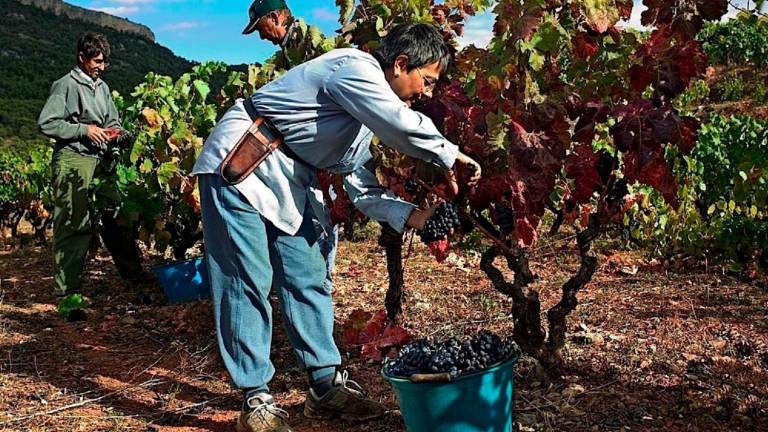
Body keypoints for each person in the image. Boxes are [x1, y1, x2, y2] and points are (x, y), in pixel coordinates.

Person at [192, 23, 482, 432]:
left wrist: (415, 217)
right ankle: (255, 398)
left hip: (292, 180)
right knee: (246, 280)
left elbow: (364, 191)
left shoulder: (363, 123)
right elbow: (400, 125)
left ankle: (325, 387)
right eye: (427, 80)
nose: (428, 93)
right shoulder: (354, 68)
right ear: (401, 64)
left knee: (308, 275)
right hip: (241, 164)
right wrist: (449, 155)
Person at [38, 32, 149, 320]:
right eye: (97, 61)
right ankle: (69, 295)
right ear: (82, 59)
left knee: (116, 216)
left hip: (101, 161)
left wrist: (119, 133)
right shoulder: (65, 85)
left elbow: (111, 121)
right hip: (73, 159)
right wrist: (84, 130)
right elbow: (47, 123)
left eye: (104, 62)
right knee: (73, 224)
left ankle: (134, 277)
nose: (101, 67)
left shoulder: (102, 88)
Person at [244, 0, 342, 293]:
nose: (261, 37)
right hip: (313, 149)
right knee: (316, 210)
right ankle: (314, 276)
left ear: (275, 17)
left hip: (326, 148)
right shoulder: (290, 48)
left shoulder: (309, 44)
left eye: (260, 28)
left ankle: (321, 279)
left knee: (324, 212)